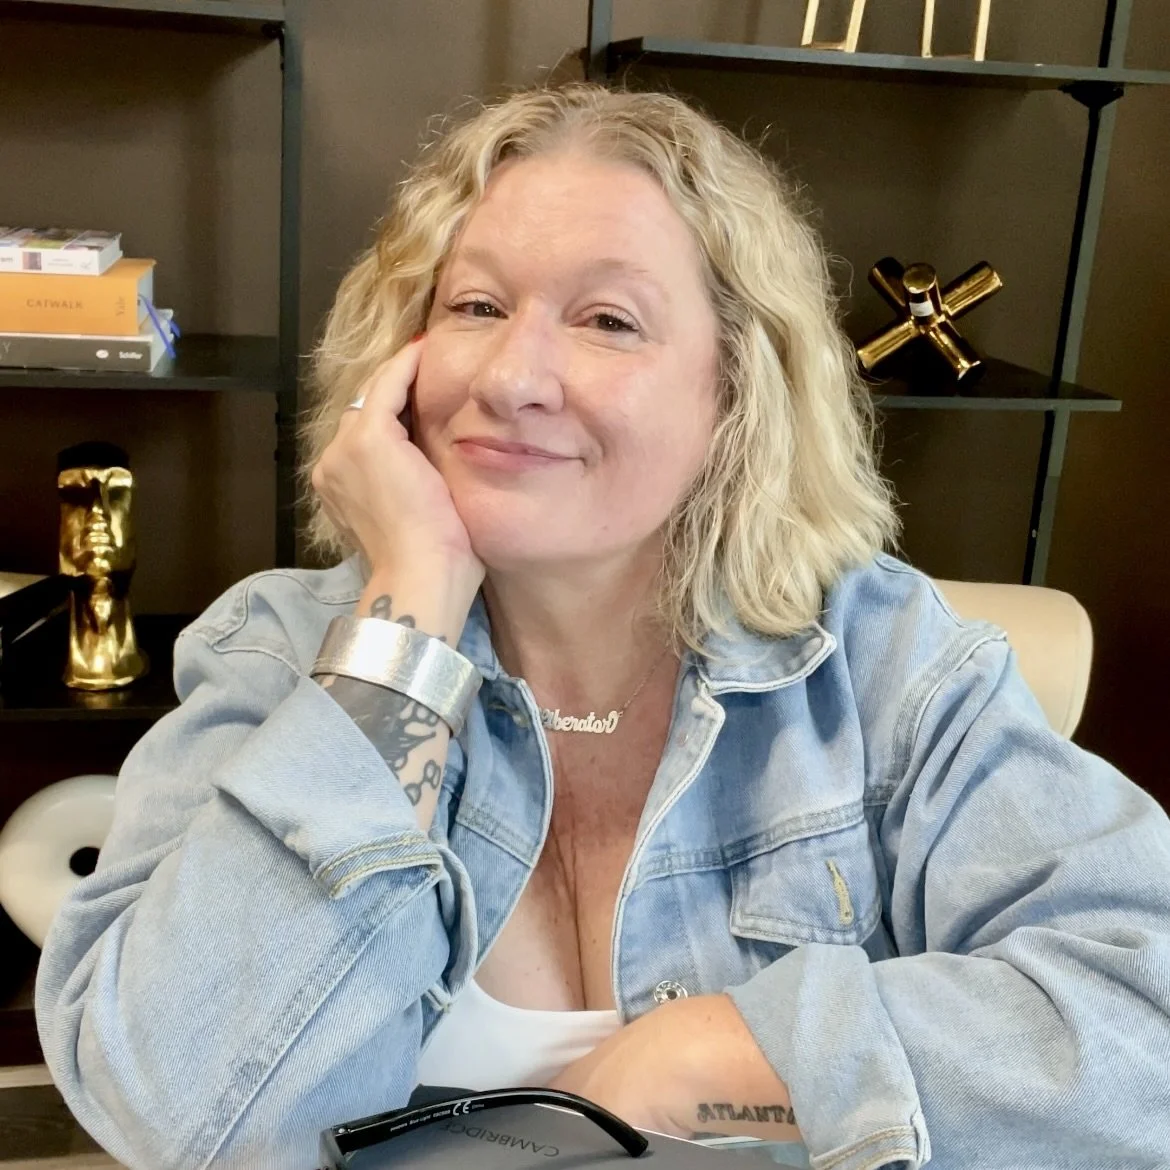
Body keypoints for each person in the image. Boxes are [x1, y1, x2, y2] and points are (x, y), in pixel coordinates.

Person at [35, 82, 1170, 1170]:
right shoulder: (284, 653)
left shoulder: (882, 662)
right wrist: (411, 619)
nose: (515, 375)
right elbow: (179, 1118)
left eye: (609, 320)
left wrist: (690, 1061)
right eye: (475, 306)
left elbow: (1144, 1026)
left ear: (736, 391)